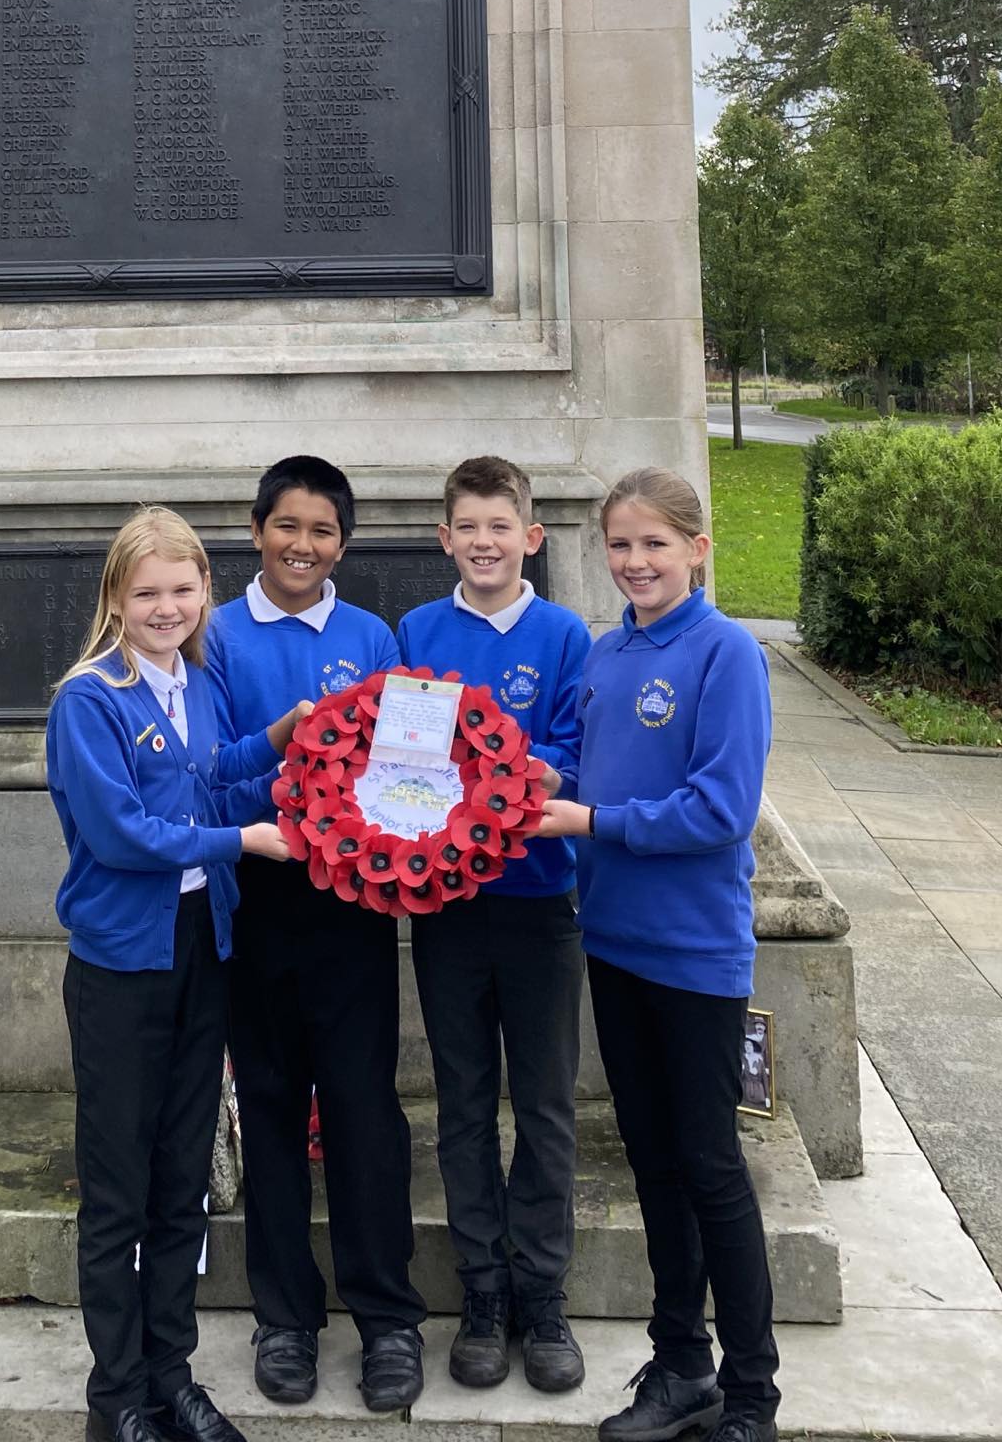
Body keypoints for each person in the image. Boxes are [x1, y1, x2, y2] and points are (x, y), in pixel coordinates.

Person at [46, 506, 303, 1442]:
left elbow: (213, 774)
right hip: (122, 964)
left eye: (183, 589)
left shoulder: (196, 680)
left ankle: (172, 1376)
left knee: (181, 1178)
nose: (167, 607)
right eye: (147, 592)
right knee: (118, 1188)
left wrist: (292, 743)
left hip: (204, 946)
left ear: (205, 593)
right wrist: (245, 838)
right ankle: (115, 1400)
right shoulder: (89, 700)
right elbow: (122, 835)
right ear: (116, 597)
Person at [537, 468, 781, 1442]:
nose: (636, 561)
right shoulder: (603, 655)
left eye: (655, 544)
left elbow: (722, 808)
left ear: (697, 549)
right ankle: (680, 1361)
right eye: (622, 545)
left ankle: (752, 1391)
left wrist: (594, 818)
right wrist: (505, 777)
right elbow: (587, 777)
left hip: (693, 952)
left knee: (710, 1165)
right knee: (652, 1163)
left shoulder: (728, 653)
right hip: (616, 942)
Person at [207, 455, 427, 1413]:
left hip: (352, 910)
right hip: (257, 898)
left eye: (324, 531)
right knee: (268, 1101)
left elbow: (400, 777)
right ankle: (286, 1318)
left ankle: (388, 1319)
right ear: (257, 529)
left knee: (361, 1106)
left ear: (345, 543)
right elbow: (211, 779)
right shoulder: (213, 638)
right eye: (287, 526)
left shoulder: (372, 635)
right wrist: (286, 767)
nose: (304, 546)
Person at [395, 455, 591, 1393]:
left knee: (546, 1108)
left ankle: (542, 1293)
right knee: (465, 1108)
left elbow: (572, 755)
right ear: (446, 538)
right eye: (467, 528)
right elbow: (400, 763)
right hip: (447, 909)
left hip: (539, 902)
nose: (484, 543)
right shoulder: (417, 631)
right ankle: (483, 1293)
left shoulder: (564, 637)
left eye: (500, 528)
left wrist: (509, 764)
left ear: (531, 538)